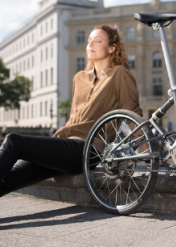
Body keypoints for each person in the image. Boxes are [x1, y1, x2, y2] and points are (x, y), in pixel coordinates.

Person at [0, 25, 142, 197]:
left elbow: (132, 114)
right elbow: (73, 119)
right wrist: (54, 145)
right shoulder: (79, 78)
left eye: (98, 41)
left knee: (14, 141)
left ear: (112, 48)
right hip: (66, 147)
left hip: (88, 150)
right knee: (11, 179)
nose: (90, 44)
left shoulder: (120, 73)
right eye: (89, 40)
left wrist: (149, 151)